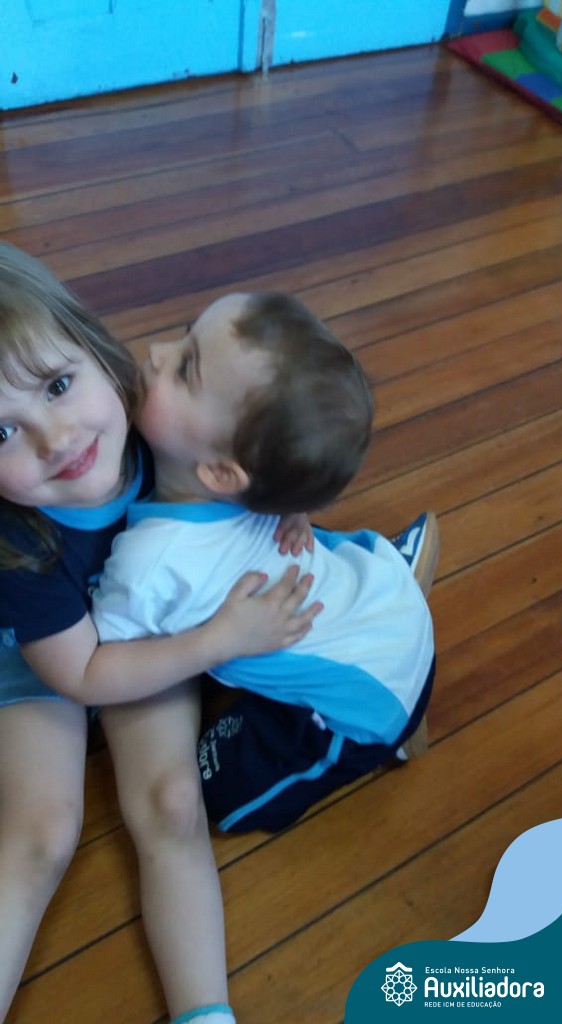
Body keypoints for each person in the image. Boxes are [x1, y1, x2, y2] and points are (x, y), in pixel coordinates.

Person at [0, 244, 321, 1024]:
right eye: (0, 432)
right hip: (48, 662)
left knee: (175, 803)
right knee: (42, 834)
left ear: (94, 349)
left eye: (58, 385)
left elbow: (241, 441)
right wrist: (218, 641)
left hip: (140, 632)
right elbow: (82, 674)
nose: (55, 439)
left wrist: (281, 499)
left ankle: (206, 1015)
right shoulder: (18, 546)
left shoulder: (152, 417)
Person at [92, 290, 439, 835]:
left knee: (217, 798)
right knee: (302, 543)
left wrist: (215, 643)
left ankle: (390, 740)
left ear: (221, 473)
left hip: (367, 705)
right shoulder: (255, 489)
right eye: (184, 335)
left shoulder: (149, 566)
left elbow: (103, 662)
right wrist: (293, 506)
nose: (157, 352)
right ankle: (400, 570)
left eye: (184, 368)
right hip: (385, 599)